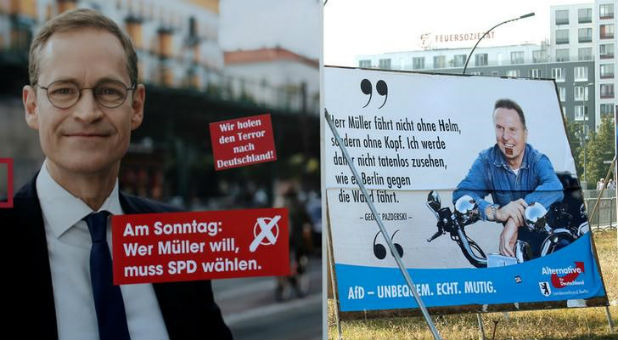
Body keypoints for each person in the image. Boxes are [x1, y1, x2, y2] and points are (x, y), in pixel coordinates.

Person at [0, 9, 231, 340]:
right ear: (32, 106)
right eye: (64, 91)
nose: (87, 112)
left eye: (108, 91)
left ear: (136, 107)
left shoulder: (176, 238)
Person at [452, 99, 564, 258]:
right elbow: (461, 194)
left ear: (525, 134)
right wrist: (496, 212)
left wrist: (514, 219)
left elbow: (555, 187)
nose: (505, 137)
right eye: (499, 128)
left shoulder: (538, 160)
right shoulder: (486, 161)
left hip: (550, 242)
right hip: (514, 246)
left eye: (512, 129)